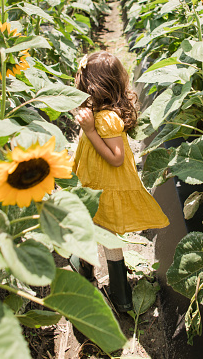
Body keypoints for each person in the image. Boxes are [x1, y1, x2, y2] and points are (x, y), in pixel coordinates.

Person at [70, 51, 169, 312]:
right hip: (94, 182)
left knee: (102, 231)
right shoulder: (99, 112)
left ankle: (118, 293)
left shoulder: (107, 119)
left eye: (81, 77)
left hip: (105, 185)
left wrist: (90, 130)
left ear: (93, 86)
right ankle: (99, 281)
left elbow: (116, 158)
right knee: (96, 228)